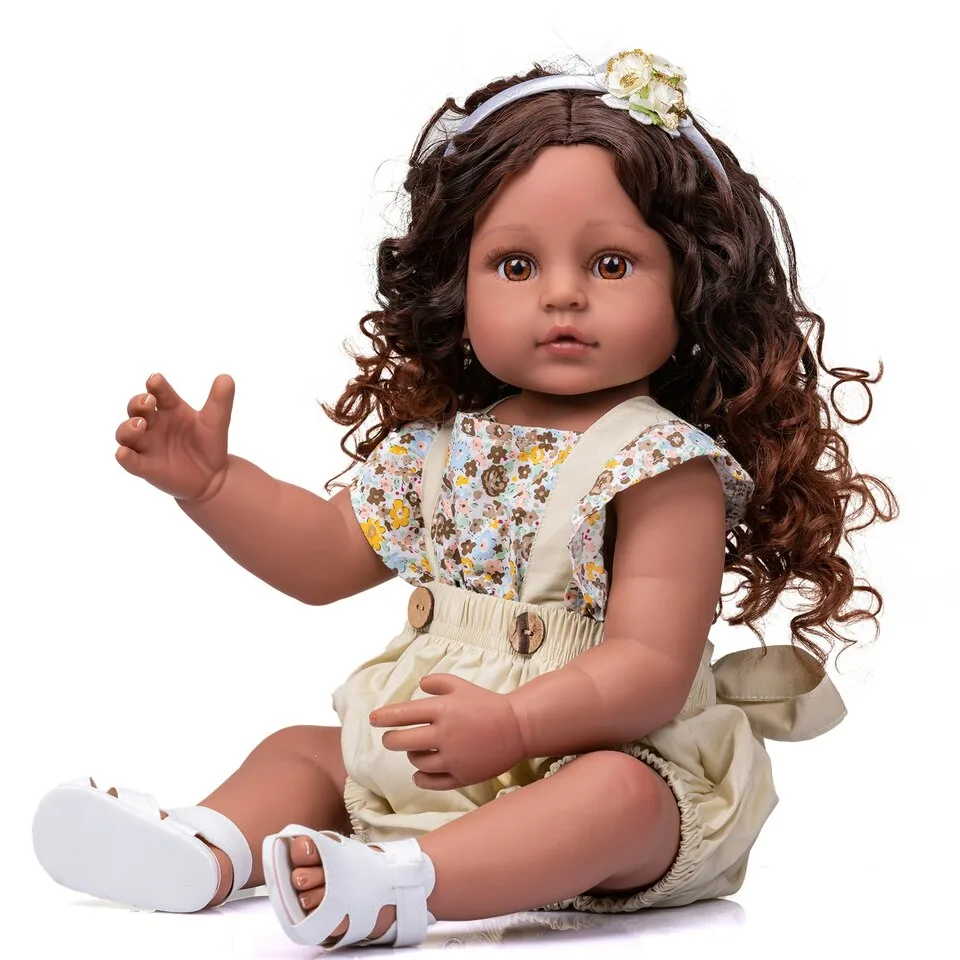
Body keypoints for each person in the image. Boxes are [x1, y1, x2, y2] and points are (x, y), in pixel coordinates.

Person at [32, 48, 897, 949]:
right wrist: (214, 487)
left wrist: (516, 723)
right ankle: (206, 849)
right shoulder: (439, 451)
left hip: (609, 749)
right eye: (516, 266)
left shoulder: (663, 465)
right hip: (437, 754)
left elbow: (649, 666)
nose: (562, 295)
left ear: (690, 281)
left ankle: (405, 887)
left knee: (615, 799)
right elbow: (322, 558)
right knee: (303, 751)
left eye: (610, 264)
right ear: (458, 281)